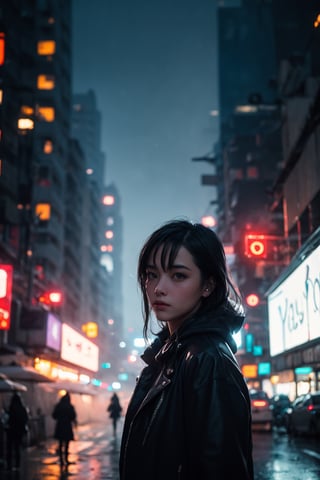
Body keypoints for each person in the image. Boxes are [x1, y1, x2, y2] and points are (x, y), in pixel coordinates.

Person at [119, 219, 254, 480]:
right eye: (151, 275)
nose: (158, 288)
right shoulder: (170, 355)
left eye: (178, 275)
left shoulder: (208, 361)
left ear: (208, 285)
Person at [52, 392, 77, 467]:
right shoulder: (70, 406)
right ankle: (66, 459)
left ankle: (61, 460)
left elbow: (54, 415)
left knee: (60, 443)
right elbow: (73, 416)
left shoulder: (58, 406)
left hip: (60, 426)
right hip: (67, 426)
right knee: (66, 444)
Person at [5, 392, 29, 471]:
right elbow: (26, 419)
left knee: (10, 448)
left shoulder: (11, 408)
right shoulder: (23, 409)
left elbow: (8, 420)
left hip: (11, 430)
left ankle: (9, 465)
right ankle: (17, 465)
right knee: (17, 447)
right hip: (19, 431)